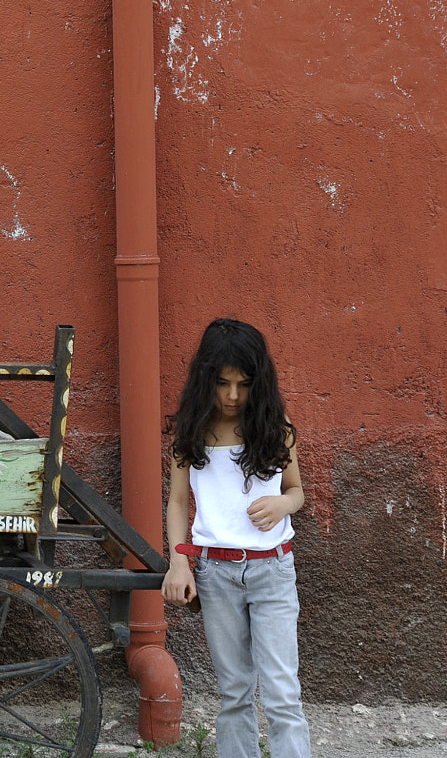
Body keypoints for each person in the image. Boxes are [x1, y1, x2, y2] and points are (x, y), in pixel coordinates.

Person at [161, 318, 311, 758]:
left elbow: (297, 491)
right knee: (234, 693)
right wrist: (179, 561)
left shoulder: (274, 424)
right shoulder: (190, 430)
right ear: (205, 378)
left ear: (258, 382)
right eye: (222, 383)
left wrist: (282, 505)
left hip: (273, 570)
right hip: (215, 573)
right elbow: (177, 503)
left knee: (283, 693)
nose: (231, 396)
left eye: (243, 384)